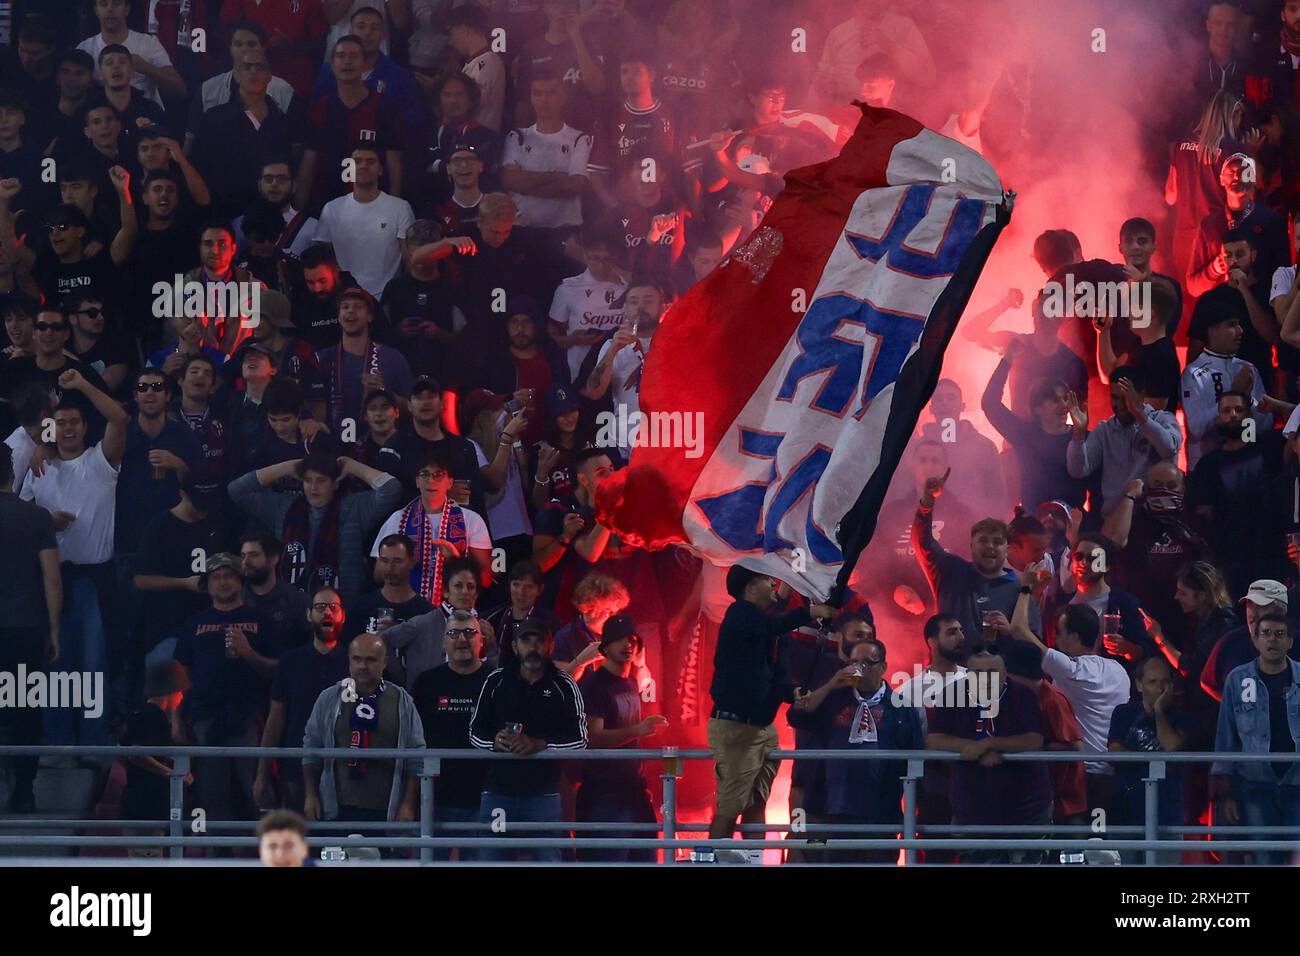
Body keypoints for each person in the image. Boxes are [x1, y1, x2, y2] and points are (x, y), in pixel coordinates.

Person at [19, 370, 126, 748]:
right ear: (50, 429)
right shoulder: (39, 467)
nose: (67, 429)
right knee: (54, 664)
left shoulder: (101, 461)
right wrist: (46, 522)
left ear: (84, 427)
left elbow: (119, 418)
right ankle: (57, 742)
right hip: (49, 578)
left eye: (73, 422)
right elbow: (23, 522)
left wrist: (80, 385)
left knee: (93, 664)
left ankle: (94, 743)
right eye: (59, 423)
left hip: (93, 579)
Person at [707, 566, 833, 849]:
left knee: (756, 803)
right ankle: (710, 860)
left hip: (762, 727)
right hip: (737, 726)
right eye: (767, 580)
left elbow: (778, 678)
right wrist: (809, 613)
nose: (774, 585)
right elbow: (768, 627)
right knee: (730, 806)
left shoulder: (775, 631)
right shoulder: (740, 614)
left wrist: (793, 692)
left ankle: (752, 859)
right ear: (750, 587)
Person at [787, 636, 922, 864]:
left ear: (883, 667)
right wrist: (831, 684)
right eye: (853, 662)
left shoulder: (901, 708)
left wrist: (911, 812)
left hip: (881, 812)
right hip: (833, 810)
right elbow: (796, 716)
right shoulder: (832, 701)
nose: (859, 668)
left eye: (867, 663)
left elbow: (916, 758)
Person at [173, 552, 281, 827]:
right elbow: (179, 676)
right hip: (204, 717)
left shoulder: (262, 620)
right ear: (207, 585)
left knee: (258, 792)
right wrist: (176, 719)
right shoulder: (192, 623)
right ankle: (216, 857)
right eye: (216, 577)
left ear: (240, 581)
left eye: (229, 576)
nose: (223, 583)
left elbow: (278, 671)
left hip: (250, 716)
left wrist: (248, 653)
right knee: (211, 798)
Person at [468, 618, 588, 862]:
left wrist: (540, 744)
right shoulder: (495, 681)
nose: (533, 647)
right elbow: (474, 732)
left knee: (548, 859)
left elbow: (580, 739)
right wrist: (495, 741)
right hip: (498, 791)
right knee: (492, 859)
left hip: (543, 794)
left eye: (539, 641)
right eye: (526, 640)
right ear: (514, 646)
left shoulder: (564, 685)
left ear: (550, 645)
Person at [1007, 591, 1132, 815]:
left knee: (1078, 843)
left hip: (1082, 775)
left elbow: (1019, 629)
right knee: (1102, 843)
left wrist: (1027, 589)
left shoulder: (1072, 670)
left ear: (1074, 637)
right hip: (1112, 774)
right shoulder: (1119, 670)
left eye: (1059, 632)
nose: (1054, 639)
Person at [926, 650, 1051, 863]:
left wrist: (990, 744)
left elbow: (1034, 740)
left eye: (991, 672)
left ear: (1004, 675)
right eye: (977, 673)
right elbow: (934, 740)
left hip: (1025, 809)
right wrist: (972, 748)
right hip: (970, 809)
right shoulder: (951, 694)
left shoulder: (1023, 695)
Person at [302, 632, 425, 828]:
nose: (362, 666)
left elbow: (416, 756)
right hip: (336, 806)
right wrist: (310, 795)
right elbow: (311, 748)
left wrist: (408, 804)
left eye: (370, 660)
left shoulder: (402, 702)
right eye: (357, 659)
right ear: (349, 660)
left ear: (384, 662)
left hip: (385, 809)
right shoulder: (329, 698)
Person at [911, 468, 1040, 651]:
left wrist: (1011, 632)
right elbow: (922, 542)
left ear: (1007, 550)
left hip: (996, 677)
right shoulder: (949, 571)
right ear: (971, 546)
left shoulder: (1020, 591)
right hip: (950, 676)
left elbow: (1033, 650)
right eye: (983, 540)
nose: (990, 546)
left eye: (997, 542)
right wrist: (927, 502)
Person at [1211, 610, 1300, 864]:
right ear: (1256, 640)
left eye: (1279, 634)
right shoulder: (1237, 680)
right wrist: (1225, 793)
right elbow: (1225, 737)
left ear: (1289, 641)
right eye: (1266, 633)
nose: (1272, 640)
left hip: (1297, 784)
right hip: (1255, 784)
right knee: (1264, 859)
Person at [576, 614, 667, 862]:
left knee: (646, 858)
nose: (628, 645)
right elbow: (593, 738)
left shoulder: (629, 682)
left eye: (632, 640)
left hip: (633, 789)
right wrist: (638, 730)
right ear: (605, 647)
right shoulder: (595, 684)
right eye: (619, 640)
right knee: (611, 858)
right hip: (604, 792)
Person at [0, 442, 61, 813]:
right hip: (24, 627)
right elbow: (52, 579)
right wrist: (54, 629)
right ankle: (24, 788)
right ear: (11, 472)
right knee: (25, 708)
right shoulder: (36, 518)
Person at [255, 586, 350, 812]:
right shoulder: (290, 662)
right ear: (309, 615)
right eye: (320, 607)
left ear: (342, 615)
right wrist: (262, 774)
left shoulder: (354, 661)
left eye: (333, 607)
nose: (327, 612)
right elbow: (275, 720)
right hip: (295, 766)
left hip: (343, 768)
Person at [410, 608, 491, 860]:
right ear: (444, 641)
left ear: (481, 640)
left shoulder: (497, 680)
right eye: (454, 633)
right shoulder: (426, 683)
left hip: (485, 796)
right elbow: (414, 741)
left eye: (469, 632)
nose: (462, 639)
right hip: (435, 796)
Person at [370, 447, 494, 605]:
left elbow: (486, 579)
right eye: (425, 474)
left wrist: (456, 560)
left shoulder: (472, 520)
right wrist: (401, 564)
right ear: (417, 481)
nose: (431, 480)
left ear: (450, 482)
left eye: (439, 475)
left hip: (454, 615)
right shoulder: (398, 519)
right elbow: (377, 575)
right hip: (407, 611)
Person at [981, 339, 1086, 511]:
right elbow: (990, 403)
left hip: (1073, 527)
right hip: (1035, 527)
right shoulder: (1025, 435)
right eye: (1054, 400)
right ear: (1037, 407)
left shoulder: (1083, 437)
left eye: (1065, 399)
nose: (1063, 406)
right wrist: (1007, 360)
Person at [1065, 365, 1182, 518]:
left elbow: (1168, 449)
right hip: (1115, 522)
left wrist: (1139, 415)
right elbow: (1078, 470)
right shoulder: (1105, 430)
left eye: (1126, 398)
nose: (1120, 405)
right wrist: (1079, 434)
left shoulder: (1163, 419)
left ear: (1141, 395)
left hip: (1155, 519)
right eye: (1115, 397)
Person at [1108, 655, 1189, 863]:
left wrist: (1159, 711)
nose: (1160, 688)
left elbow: (1172, 747)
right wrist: (1154, 758)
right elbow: (1115, 752)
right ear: (1139, 685)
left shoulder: (1181, 716)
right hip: (1126, 808)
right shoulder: (1123, 713)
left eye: (1165, 682)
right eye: (1153, 682)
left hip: (1167, 810)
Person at [313, 144, 415, 298]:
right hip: (345, 299)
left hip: (388, 297)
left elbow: (409, 260)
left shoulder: (400, 207)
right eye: (357, 161)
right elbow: (324, 258)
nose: (363, 166)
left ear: (380, 169)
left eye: (370, 161)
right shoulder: (332, 209)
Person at [1181, 303, 1273, 469]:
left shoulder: (1247, 369)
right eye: (1232, 325)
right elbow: (1196, 428)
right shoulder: (1193, 373)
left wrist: (1249, 401)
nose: (1240, 331)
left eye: (1239, 324)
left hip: (1248, 465)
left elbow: (1265, 425)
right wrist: (1234, 394)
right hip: (1207, 469)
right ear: (1212, 330)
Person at [501, 71, 592, 232]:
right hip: (524, 230)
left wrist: (526, 183)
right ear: (531, 97)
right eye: (538, 93)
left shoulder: (580, 139)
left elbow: (575, 186)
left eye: (550, 93)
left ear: (562, 96)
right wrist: (557, 177)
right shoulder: (517, 137)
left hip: (566, 233)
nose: (544, 100)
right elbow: (510, 180)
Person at [316, 287, 413, 432]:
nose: (351, 311)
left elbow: (411, 408)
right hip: (334, 446)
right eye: (345, 306)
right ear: (339, 315)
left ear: (370, 316)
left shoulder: (393, 359)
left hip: (377, 444)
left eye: (358, 306)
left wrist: (385, 393)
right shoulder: (320, 359)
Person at [77, 0, 186, 106]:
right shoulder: (85, 48)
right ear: (96, 10)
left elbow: (179, 90)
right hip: (104, 119)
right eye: (103, 4)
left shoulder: (148, 43)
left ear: (127, 9)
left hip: (147, 117)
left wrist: (147, 68)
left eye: (116, 3)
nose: (110, 9)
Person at [240, 533, 312, 650]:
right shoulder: (236, 597)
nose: (245, 562)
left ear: (273, 559)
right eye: (243, 556)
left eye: (254, 555)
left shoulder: (296, 600)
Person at [447, 4, 506, 134]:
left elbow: (464, 107)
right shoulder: (477, 62)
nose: (451, 41)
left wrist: (436, 90)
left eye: (452, 33)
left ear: (464, 30)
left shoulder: (487, 64)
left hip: (479, 145)